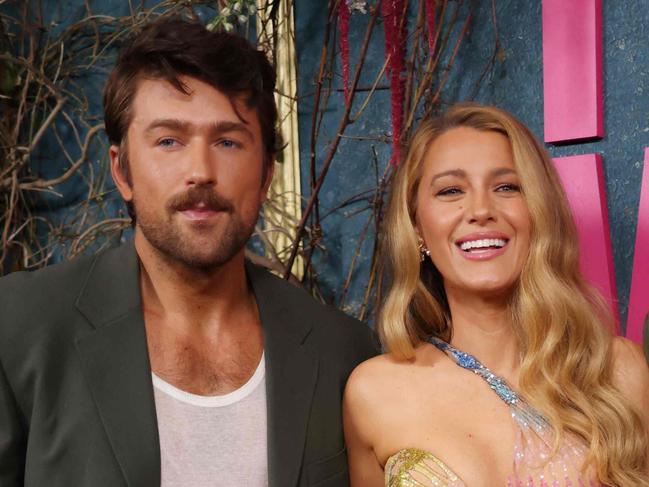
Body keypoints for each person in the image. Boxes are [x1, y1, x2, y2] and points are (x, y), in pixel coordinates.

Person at [0, 16, 377, 487]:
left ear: (264, 176)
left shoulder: (342, 352)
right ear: (122, 171)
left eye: (227, 141)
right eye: (169, 141)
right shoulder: (18, 328)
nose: (200, 170)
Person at [343, 103, 649, 486]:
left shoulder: (618, 372)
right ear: (417, 226)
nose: (481, 210)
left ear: (538, 211)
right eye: (451, 190)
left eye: (507, 187)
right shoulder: (373, 392)